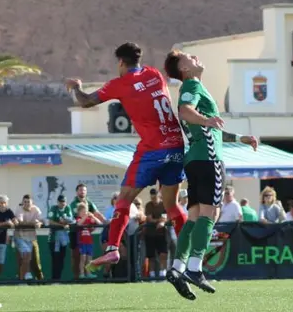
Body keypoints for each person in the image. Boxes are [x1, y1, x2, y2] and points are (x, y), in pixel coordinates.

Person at [65, 42, 189, 274]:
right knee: (171, 204)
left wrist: (76, 87)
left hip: (152, 149)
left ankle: (112, 247)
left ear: (120, 62)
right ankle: (189, 252)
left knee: (124, 200)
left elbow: (85, 102)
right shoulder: (154, 74)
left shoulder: (120, 84)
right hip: (176, 145)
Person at [163, 49, 258, 299]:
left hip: (195, 158)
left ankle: (177, 268)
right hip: (208, 159)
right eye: (188, 58)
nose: (194, 57)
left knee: (194, 216)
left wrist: (240, 138)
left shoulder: (193, 87)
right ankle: (195, 267)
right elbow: (186, 111)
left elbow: (209, 127)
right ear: (184, 69)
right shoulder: (192, 85)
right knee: (211, 213)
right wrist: (206, 121)